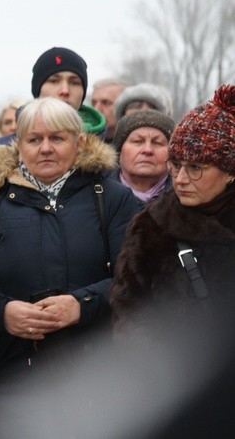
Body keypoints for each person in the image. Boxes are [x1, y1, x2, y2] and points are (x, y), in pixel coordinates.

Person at [0, 97, 140, 437]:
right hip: (10, 382)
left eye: (57, 138)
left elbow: (136, 280)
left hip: (98, 380)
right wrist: (3, 314)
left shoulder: (112, 198)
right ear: (18, 145)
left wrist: (80, 305)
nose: (45, 148)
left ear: (79, 141)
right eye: (34, 139)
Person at [110, 84, 235, 437]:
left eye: (196, 167)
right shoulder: (151, 226)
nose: (180, 179)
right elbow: (130, 317)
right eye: (176, 165)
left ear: (229, 171)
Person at [0, 46, 105, 145]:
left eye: (74, 82)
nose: (65, 90)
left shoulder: (112, 155)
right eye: (54, 81)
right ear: (38, 91)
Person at [109, 109, 175, 204]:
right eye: (137, 141)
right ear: (119, 150)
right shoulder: (97, 195)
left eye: (157, 143)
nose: (147, 150)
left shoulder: (186, 199)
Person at [90, 78, 127, 142]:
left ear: (124, 107)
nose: (96, 109)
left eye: (106, 103)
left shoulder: (142, 146)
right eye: (94, 103)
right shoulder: (79, 144)